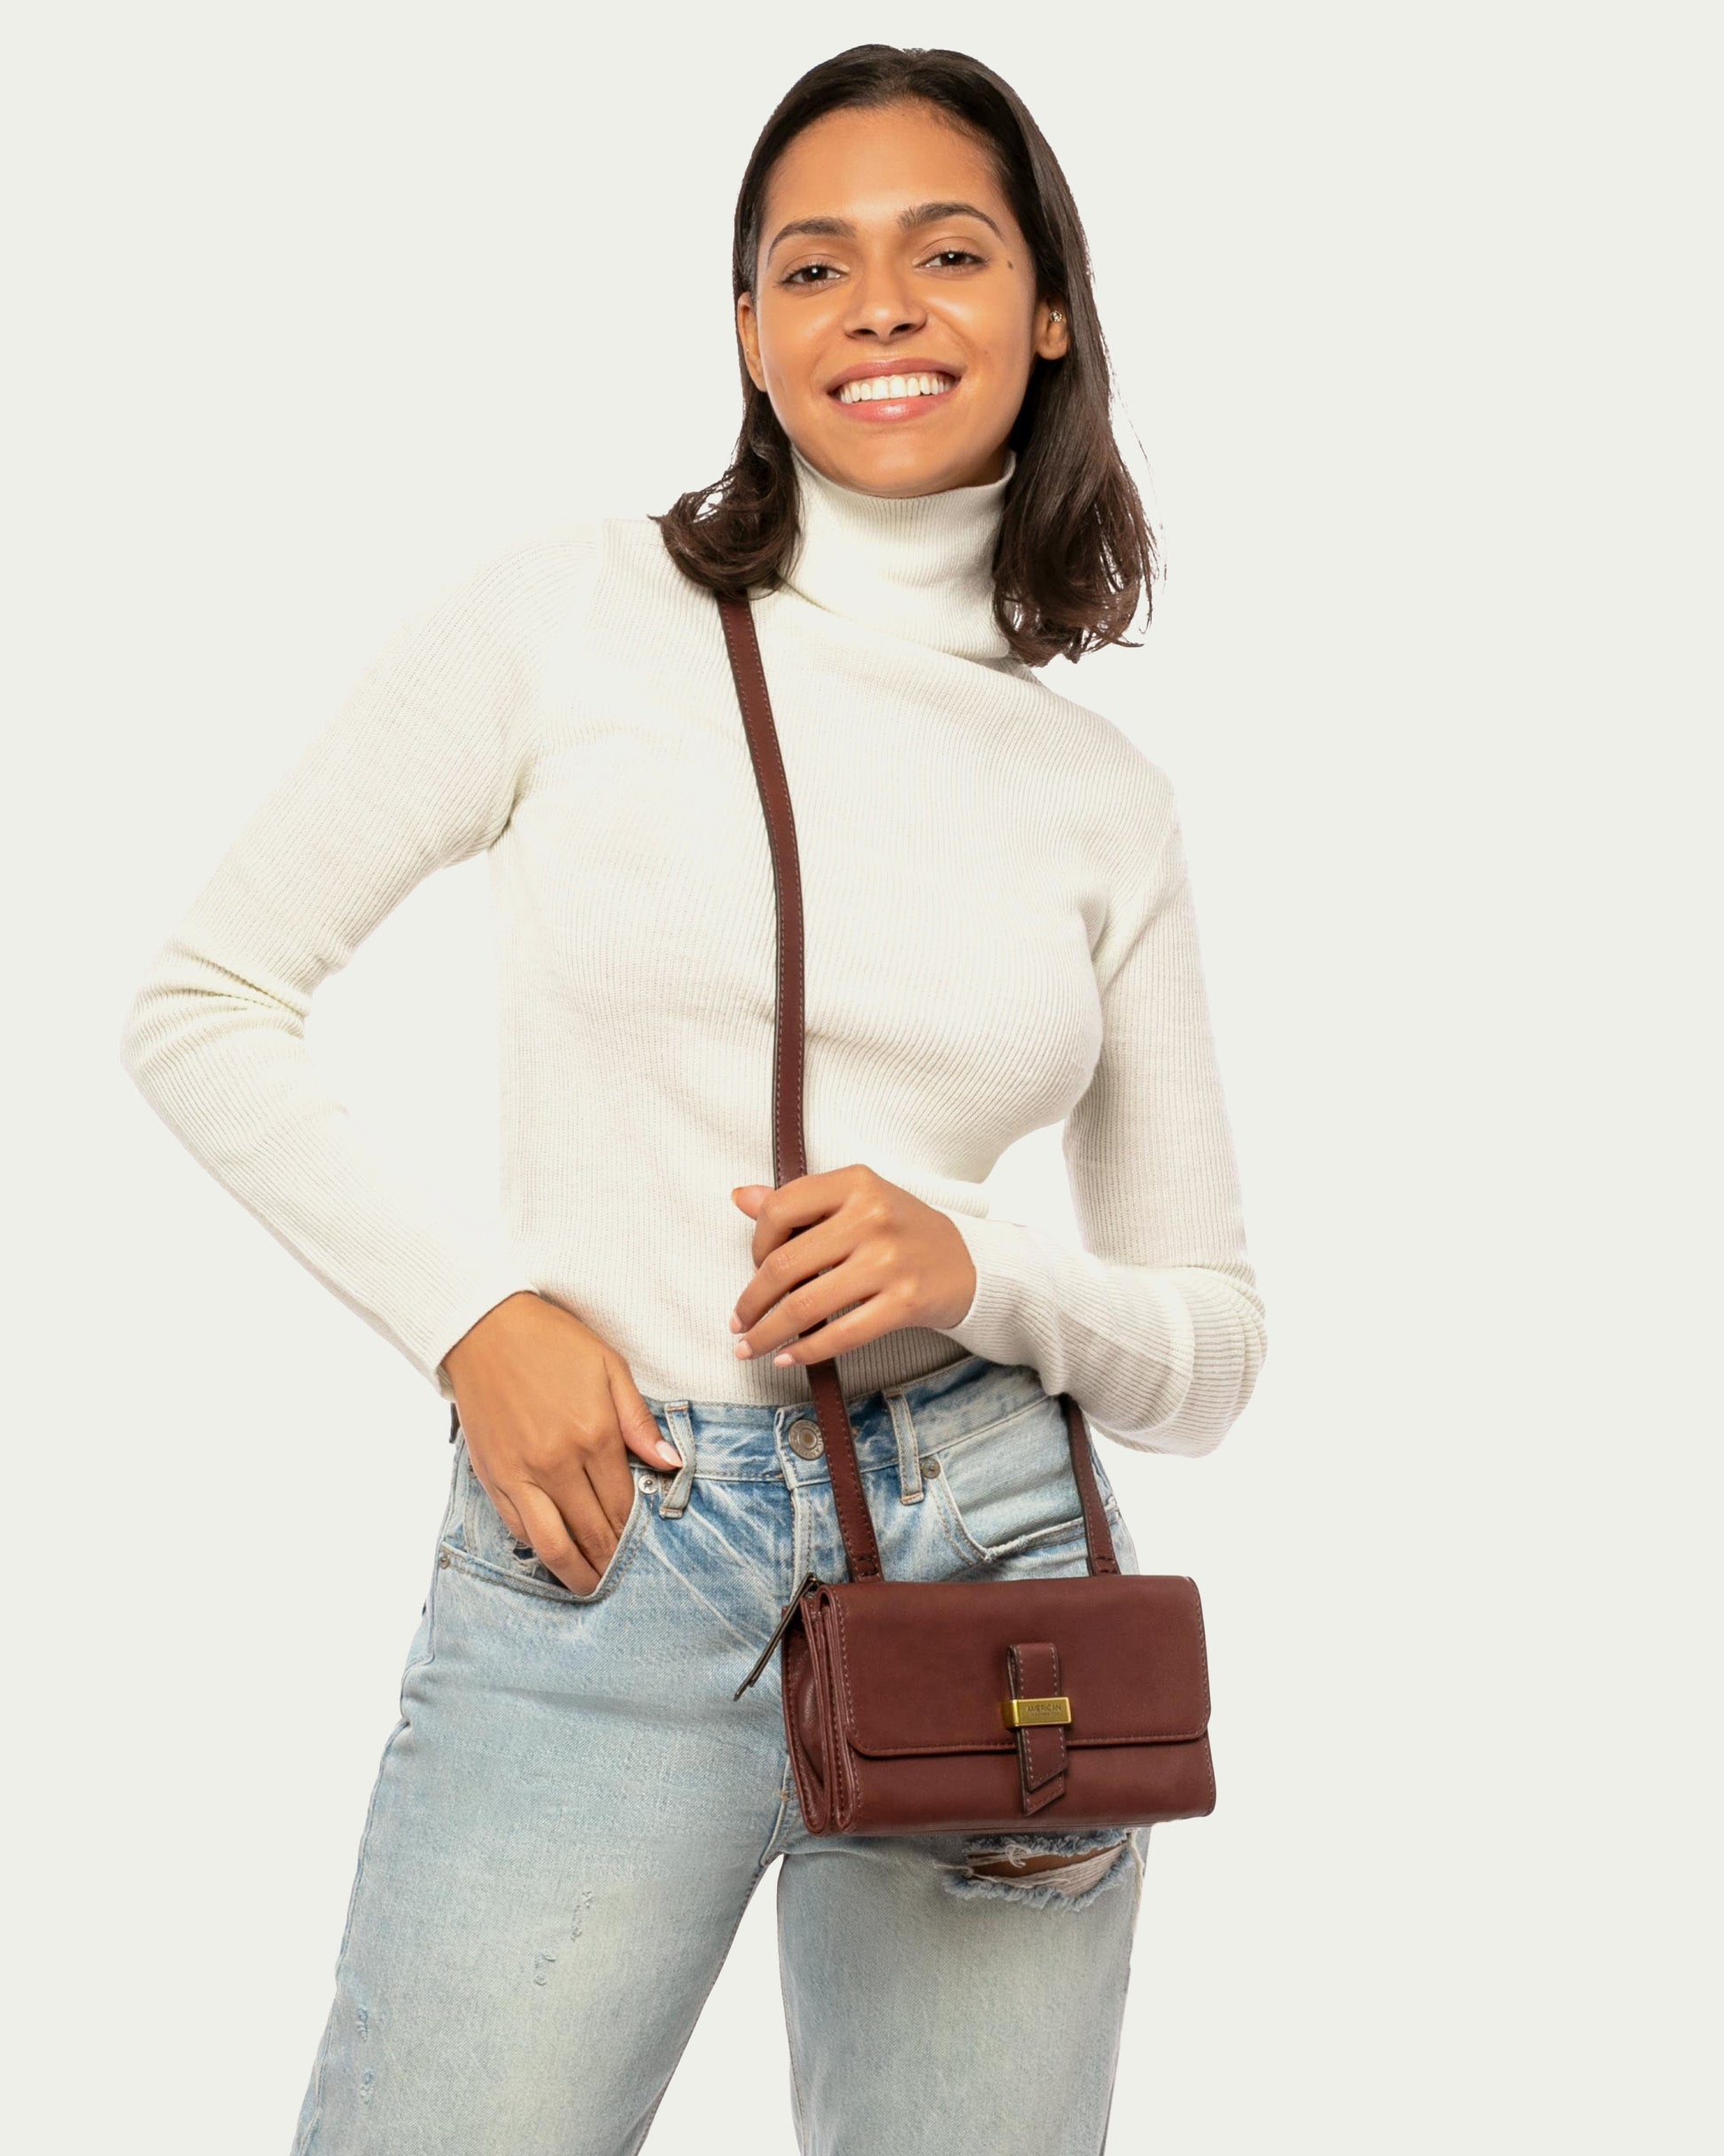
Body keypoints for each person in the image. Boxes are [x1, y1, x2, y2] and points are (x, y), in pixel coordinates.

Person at [120, 43, 1267, 2155]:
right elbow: (201, 999)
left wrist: (983, 1267)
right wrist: (479, 1315)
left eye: (948, 250)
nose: (881, 305)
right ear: (750, 332)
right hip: (608, 1529)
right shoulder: (579, 612)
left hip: (990, 1566)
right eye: (811, 265)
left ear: (1048, 310)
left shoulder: (1101, 797)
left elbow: (1208, 1344)